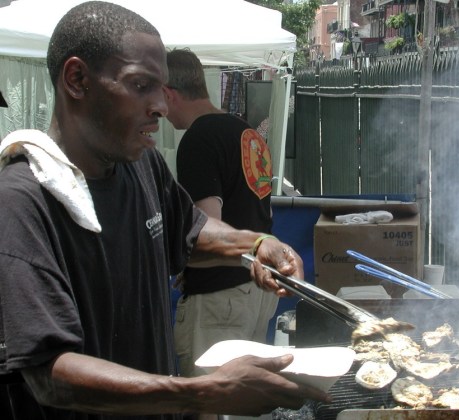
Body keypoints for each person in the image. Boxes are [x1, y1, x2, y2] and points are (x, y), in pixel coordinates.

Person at [0, 2, 330, 420]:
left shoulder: (141, 165)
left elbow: (190, 232)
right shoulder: (21, 203)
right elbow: (49, 373)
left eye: (161, 87)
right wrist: (202, 392)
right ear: (77, 79)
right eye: (141, 85)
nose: (159, 104)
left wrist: (257, 242)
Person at [164, 48, 278, 378]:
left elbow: (208, 227)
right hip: (255, 291)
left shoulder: (198, 139)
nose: (157, 111)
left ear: (169, 94)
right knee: (243, 400)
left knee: (209, 402)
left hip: (220, 300)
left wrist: (184, 261)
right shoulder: (247, 132)